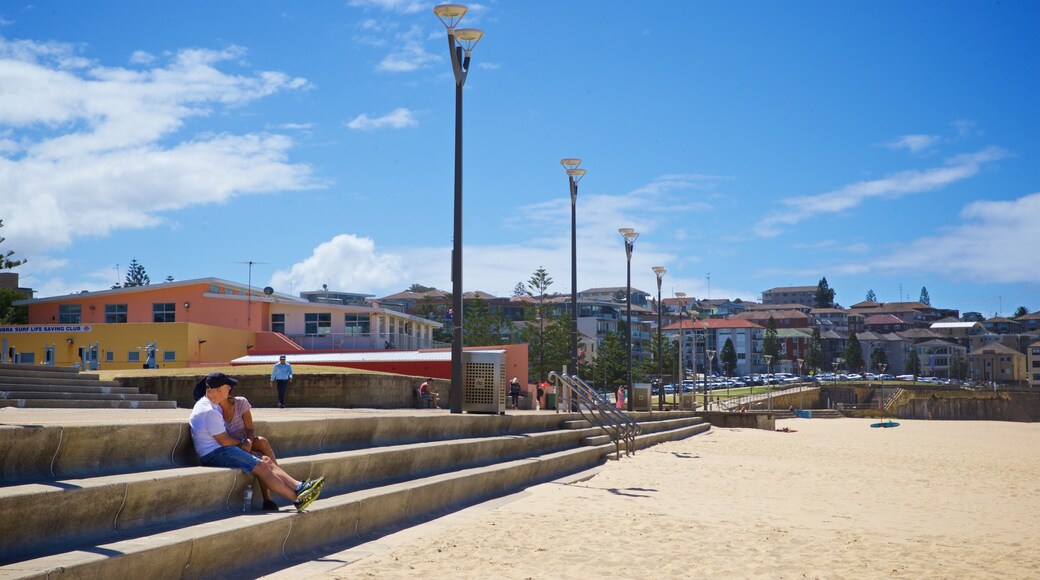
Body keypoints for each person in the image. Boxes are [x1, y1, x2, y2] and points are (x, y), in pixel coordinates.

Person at [189, 372, 323, 512]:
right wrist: (242, 442)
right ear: (219, 390)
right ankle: (297, 499)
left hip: (220, 450)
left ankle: (300, 487)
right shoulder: (209, 410)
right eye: (228, 387)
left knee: (265, 459)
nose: (230, 389)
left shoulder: (209, 403)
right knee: (262, 466)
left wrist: (244, 444)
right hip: (215, 453)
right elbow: (224, 441)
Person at [218, 390, 281, 510]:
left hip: (245, 441)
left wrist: (249, 441)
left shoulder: (241, 403)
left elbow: (250, 429)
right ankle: (267, 498)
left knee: (262, 441)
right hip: (231, 447)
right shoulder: (214, 411)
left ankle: (277, 477)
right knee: (258, 459)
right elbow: (221, 440)